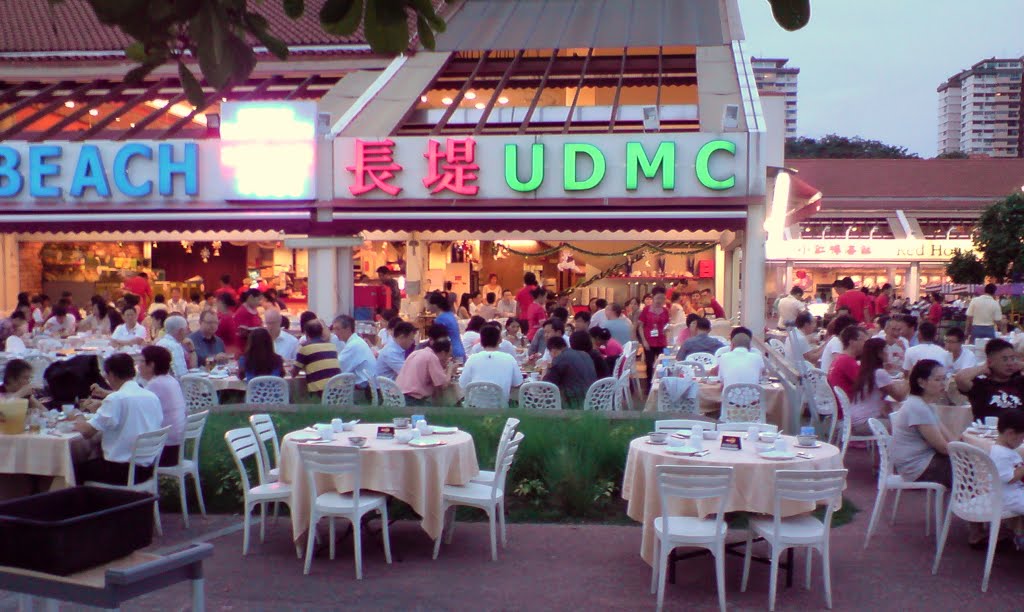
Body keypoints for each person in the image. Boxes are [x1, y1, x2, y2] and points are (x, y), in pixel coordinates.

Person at [72, 354, 164, 485]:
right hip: (147, 467)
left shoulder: (116, 398)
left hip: (122, 470)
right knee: (93, 455)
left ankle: (82, 503)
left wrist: (77, 415)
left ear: (112, 375)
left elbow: (87, 432)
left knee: (73, 469)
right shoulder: (151, 396)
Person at [889, 359, 956, 496]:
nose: (943, 384)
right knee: (973, 469)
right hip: (918, 468)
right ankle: (980, 511)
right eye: (938, 380)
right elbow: (943, 448)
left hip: (923, 462)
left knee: (972, 466)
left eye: (945, 379)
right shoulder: (917, 407)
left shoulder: (926, 405)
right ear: (921, 382)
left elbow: (949, 438)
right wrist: (966, 454)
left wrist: (960, 448)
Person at [844, 338, 908, 434]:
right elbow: (900, 396)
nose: (888, 353)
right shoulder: (879, 373)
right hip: (866, 423)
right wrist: (910, 378)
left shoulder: (864, 370)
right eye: (886, 350)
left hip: (854, 421)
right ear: (879, 353)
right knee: (906, 424)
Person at [137, 346, 187, 467]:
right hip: (177, 448)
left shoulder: (156, 385)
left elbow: (134, 405)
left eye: (141, 361)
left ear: (152, 365)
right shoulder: (170, 380)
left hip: (164, 452)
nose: (138, 366)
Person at [955, 338, 1024, 421]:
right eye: (1004, 359)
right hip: (987, 431)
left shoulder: (1019, 382)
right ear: (990, 362)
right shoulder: (981, 385)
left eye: (1012, 358)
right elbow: (960, 379)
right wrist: (983, 368)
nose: (1010, 363)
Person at [459, 326, 523, 405]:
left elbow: (463, 384)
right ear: (500, 340)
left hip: (475, 406)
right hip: (500, 406)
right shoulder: (509, 358)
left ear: (481, 342)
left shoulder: (472, 359)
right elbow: (517, 383)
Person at [989, 408, 1024, 549]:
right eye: (1022, 438)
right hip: (1009, 498)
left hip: (1011, 494)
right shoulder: (1001, 454)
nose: (1022, 442)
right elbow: (1010, 478)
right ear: (1010, 433)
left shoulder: (1003, 450)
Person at [542, 336, 596, 409]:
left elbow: (546, 385)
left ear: (553, 351)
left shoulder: (561, 358)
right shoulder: (585, 354)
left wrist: (544, 369)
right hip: (594, 400)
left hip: (574, 402)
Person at [826, 325, 868, 417]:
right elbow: (867, 386)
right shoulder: (847, 361)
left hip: (840, 409)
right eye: (864, 341)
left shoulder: (840, 359)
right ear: (852, 342)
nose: (866, 345)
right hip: (848, 413)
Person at [395, 339, 452, 406]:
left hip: (398, 395)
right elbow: (443, 385)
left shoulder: (416, 353)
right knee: (447, 406)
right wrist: (450, 369)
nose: (448, 357)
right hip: (413, 400)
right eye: (448, 355)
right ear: (443, 353)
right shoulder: (431, 357)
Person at [636, 286, 670, 392]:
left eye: (663, 298)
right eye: (658, 298)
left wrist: (667, 334)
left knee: (664, 364)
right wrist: (644, 341)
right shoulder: (646, 310)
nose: (660, 301)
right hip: (649, 341)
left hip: (662, 341)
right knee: (649, 364)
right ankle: (649, 386)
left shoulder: (665, 311)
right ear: (653, 297)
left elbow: (667, 326)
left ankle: (663, 385)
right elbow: (640, 326)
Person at [293, 321, 342, 394]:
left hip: (319, 392)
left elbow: (294, 372)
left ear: (306, 334)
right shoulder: (332, 346)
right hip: (338, 390)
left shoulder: (305, 349)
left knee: (297, 398)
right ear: (321, 332)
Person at [332, 315, 376, 391]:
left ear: (348, 329)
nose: (335, 333)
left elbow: (337, 368)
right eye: (334, 329)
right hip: (366, 383)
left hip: (364, 386)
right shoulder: (355, 341)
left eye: (338, 329)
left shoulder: (354, 344)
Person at [427, 292, 465, 360]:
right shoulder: (450, 314)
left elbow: (437, 340)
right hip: (459, 349)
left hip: (451, 353)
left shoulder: (440, 319)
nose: (427, 307)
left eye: (428, 304)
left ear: (435, 305)